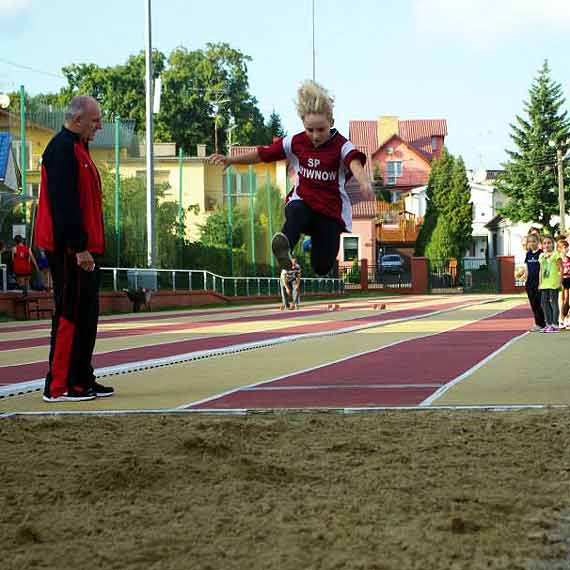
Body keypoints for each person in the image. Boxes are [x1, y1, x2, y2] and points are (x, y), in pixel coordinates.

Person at [209, 80, 373, 276]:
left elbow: (354, 161)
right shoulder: (295, 142)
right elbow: (263, 154)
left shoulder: (341, 145)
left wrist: (363, 181)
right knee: (295, 209)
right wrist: (231, 159)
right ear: (303, 123)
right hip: (304, 203)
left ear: (331, 122)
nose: (315, 135)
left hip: (329, 213)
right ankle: (284, 248)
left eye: (321, 129)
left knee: (321, 267)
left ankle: (312, 245)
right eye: (309, 129)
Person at [34, 96, 113, 402]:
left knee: (88, 315)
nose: (100, 126)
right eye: (95, 120)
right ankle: (59, 386)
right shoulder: (61, 150)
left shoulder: (81, 148)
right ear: (77, 119)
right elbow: (64, 203)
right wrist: (78, 247)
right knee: (70, 315)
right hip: (69, 251)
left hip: (86, 249)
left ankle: (82, 379)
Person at [538, 235, 563, 333]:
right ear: (542, 245)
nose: (547, 245)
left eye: (549, 243)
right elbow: (541, 270)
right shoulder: (541, 256)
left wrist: (560, 282)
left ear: (553, 244)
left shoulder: (556, 255)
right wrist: (540, 283)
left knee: (553, 303)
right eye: (545, 243)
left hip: (553, 282)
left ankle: (555, 324)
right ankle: (548, 324)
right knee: (544, 303)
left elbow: (561, 269)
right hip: (544, 283)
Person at [523, 234, 545, 331]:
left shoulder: (541, 253)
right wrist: (525, 278)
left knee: (541, 304)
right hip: (530, 283)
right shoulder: (528, 254)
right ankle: (538, 323)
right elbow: (527, 268)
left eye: (534, 241)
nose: (531, 243)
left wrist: (542, 282)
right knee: (533, 304)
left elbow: (544, 268)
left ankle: (544, 323)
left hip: (539, 283)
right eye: (529, 242)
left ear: (538, 242)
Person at [559, 239, 570, 329]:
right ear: (560, 249)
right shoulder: (558, 259)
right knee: (561, 300)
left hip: (568, 280)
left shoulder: (569, 259)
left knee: (567, 299)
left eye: (567, 247)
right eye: (565, 247)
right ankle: (561, 319)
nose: (567, 249)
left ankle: (566, 318)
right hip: (561, 280)